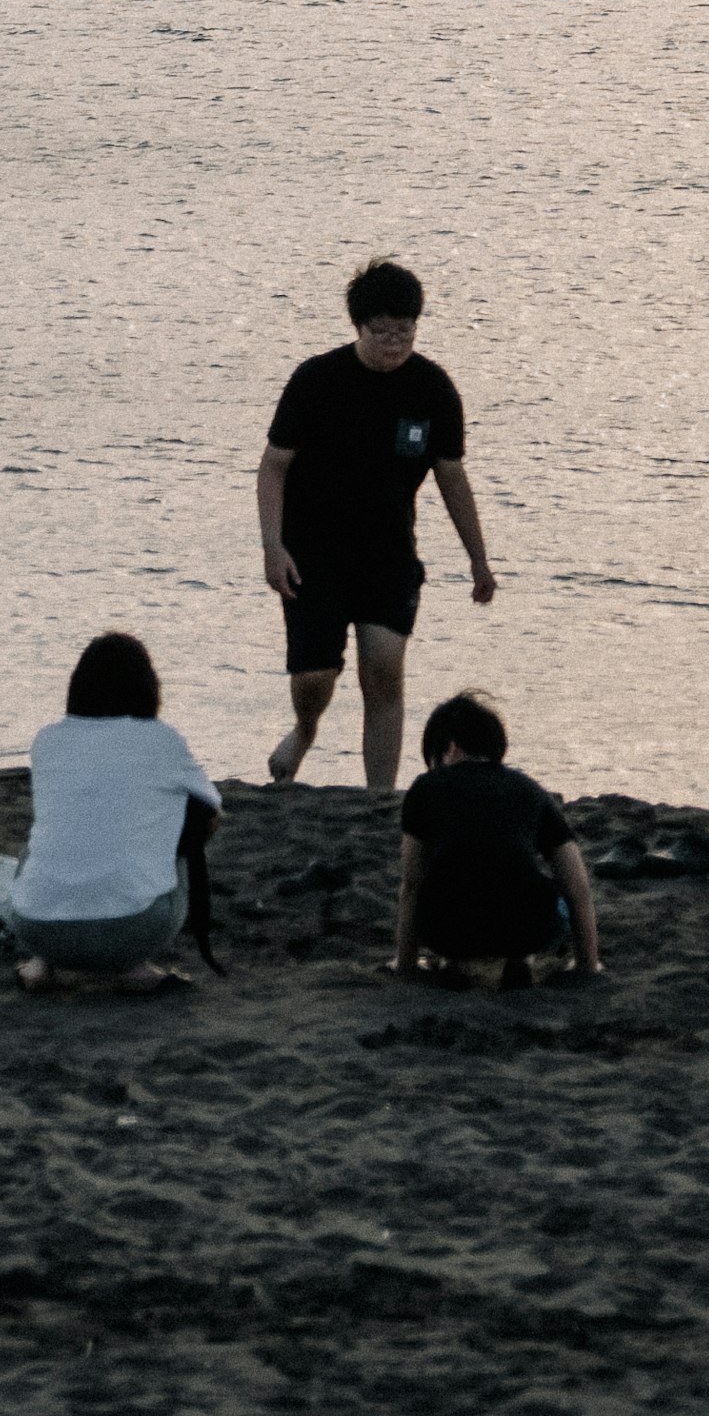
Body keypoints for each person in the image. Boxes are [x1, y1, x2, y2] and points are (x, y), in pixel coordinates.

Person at [259, 256, 495, 791]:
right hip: (312, 552)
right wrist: (273, 546)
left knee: (384, 672)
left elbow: (451, 477)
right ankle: (305, 729)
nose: (394, 341)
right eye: (382, 331)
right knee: (315, 676)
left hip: (388, 554)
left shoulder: (433, 389)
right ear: (358, 328)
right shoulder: (317, 380)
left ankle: (379, 798)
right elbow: (273, 466)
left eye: (405, 330)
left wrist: (479, 559)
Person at [13, 631, 220, 990]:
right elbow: (213, 812)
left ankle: (41, 964)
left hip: (36, 927)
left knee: (44, 838)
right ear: (149, 689)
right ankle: (131, 967)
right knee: (182, 832)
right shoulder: (163, 740)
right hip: (133, 929)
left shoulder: (47, 740)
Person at [395, 692, 599, 990]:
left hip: (447, 930)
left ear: (450, 748)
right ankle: (522, 959)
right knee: (550, 897)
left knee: (438, 891)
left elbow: (412, 882)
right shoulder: (530, 790)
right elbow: (577, 884)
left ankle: (455, 961)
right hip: (525, 928)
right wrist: (587, 965)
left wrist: (405, 964)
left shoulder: (426, 788)